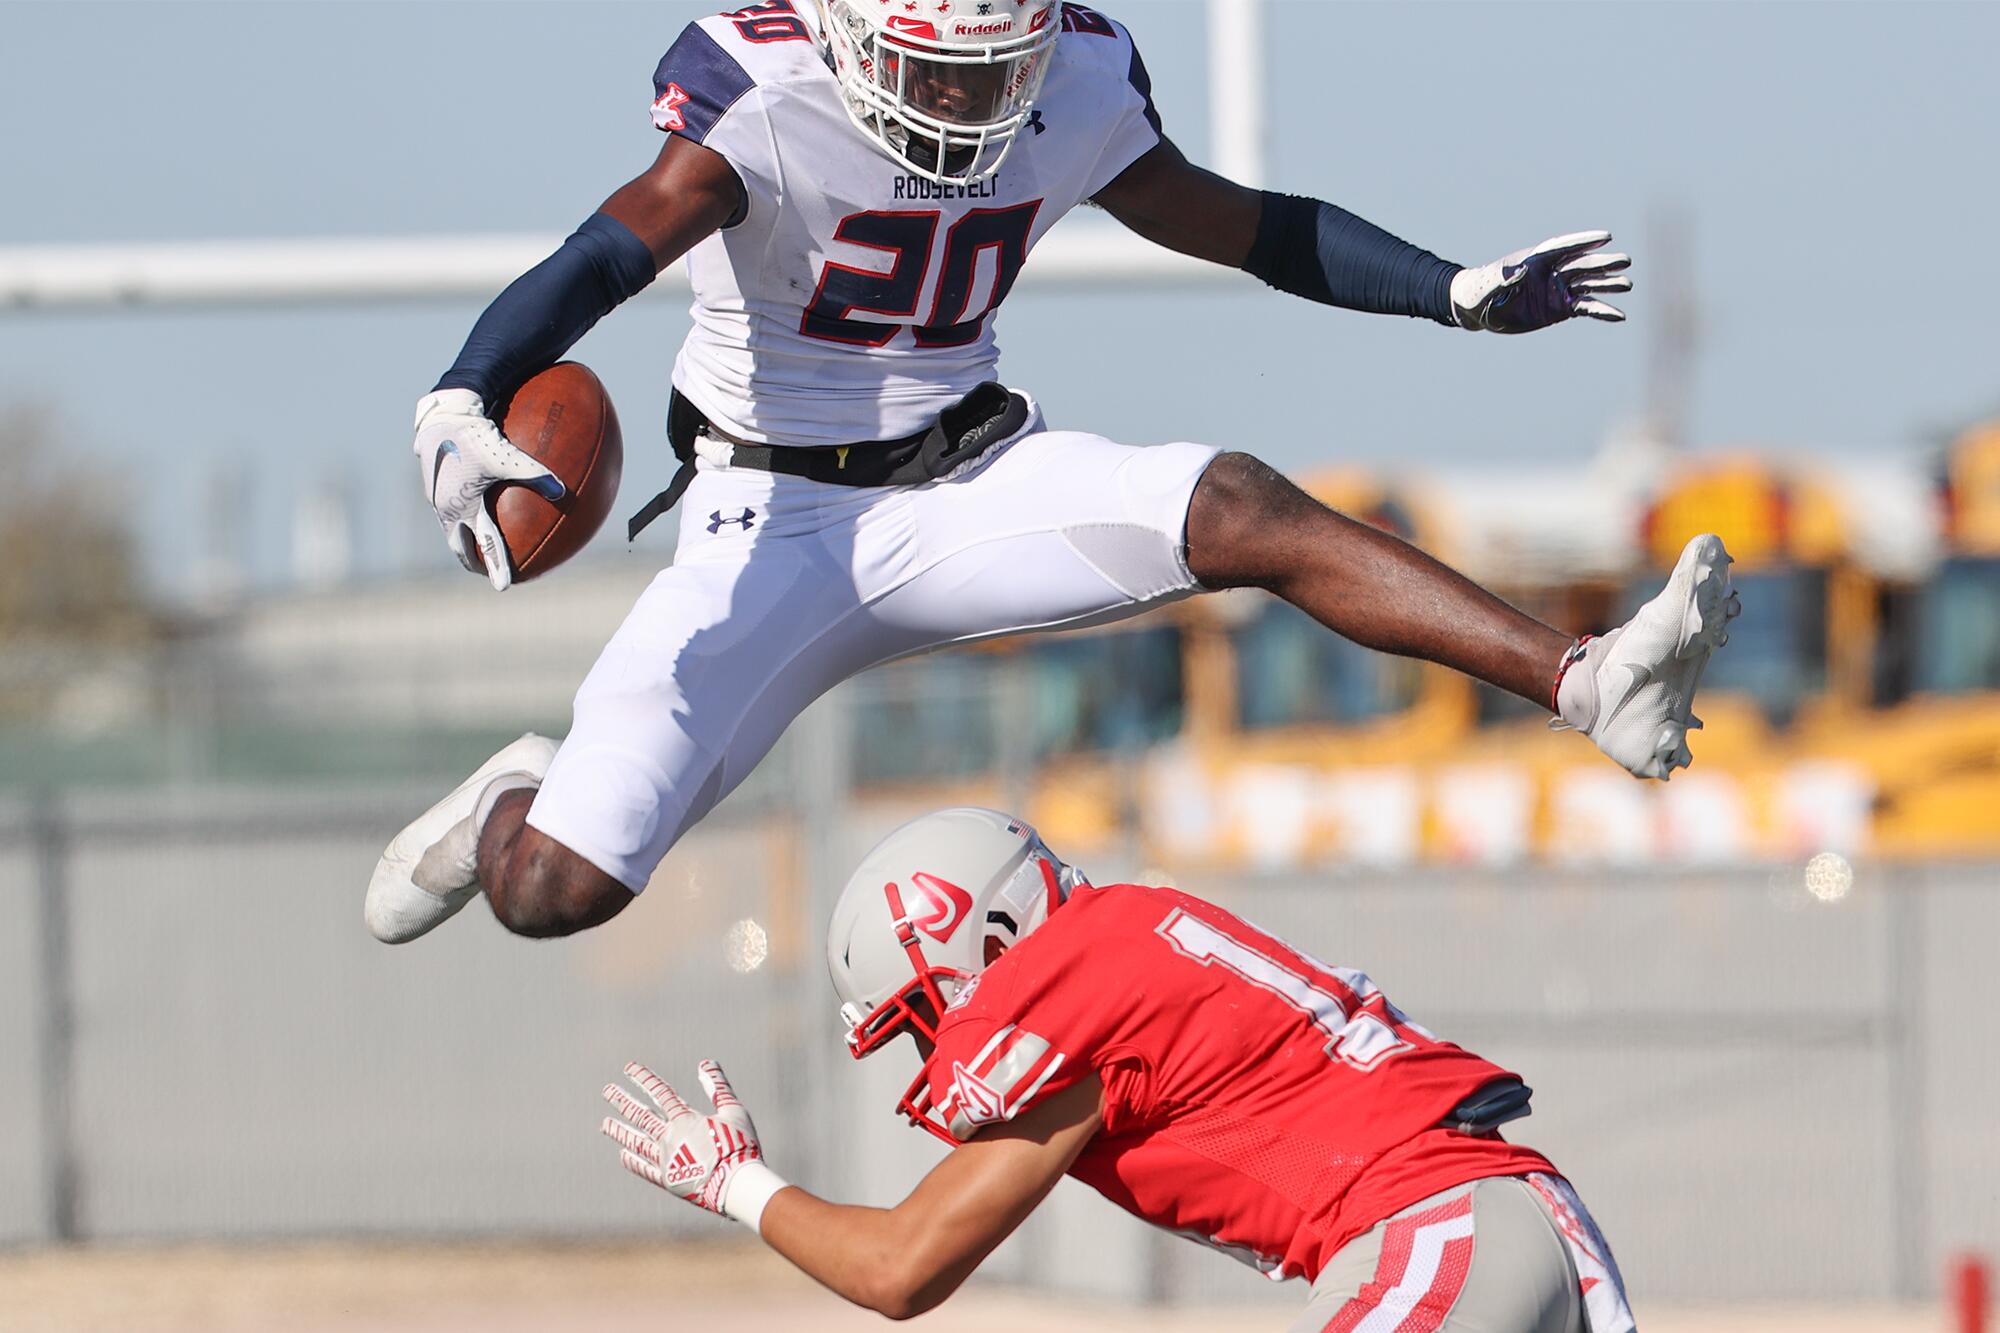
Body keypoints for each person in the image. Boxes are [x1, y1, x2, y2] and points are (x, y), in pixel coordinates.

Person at [366, 0, 1738, 946]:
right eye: (936, 69)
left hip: (967, 482)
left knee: (1242, 504)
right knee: (553, 891)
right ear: (845, 37)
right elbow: (607, 254)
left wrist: (1445, 288)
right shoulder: (766, 91)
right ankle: (509, 796)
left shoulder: (1072, 71)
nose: (966, 99)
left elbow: (1241, 223)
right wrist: (465, 385)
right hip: (764, 518)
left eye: (992, 67)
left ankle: (1586, 679)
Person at [600, 807, 1637, 1331]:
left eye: (923, 1014)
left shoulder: (1073, 985)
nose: (929, 1049)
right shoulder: (1122, 943)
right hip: (1506, 1223)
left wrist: (737, 1182)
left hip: (1440, 1228)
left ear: (986, 943)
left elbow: (900, 1266)